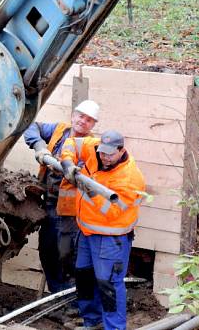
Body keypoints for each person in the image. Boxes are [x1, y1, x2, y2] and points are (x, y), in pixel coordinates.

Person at [61, 130, 146, 330]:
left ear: (121, 150)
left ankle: (114, 328)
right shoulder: (94, 147)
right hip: (86, 232)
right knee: (84, 278)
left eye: (109, 154)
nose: (104, 157)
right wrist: (67, 162)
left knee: (109, 286)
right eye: (102, 152)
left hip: (110, 239)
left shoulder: (131, 179)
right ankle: (92, 321)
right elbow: (71, 143)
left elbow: (113, 211)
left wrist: (86, 187)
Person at [23, 99, 100, 293]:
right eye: (81, 116)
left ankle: (69, 299)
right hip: (49, 205)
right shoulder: (59, 130)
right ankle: (57, 294)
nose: (83, 121)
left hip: (70, 211)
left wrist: (67, 168)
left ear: (93, 125)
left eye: (89, 120)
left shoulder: (91, 146)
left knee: (66, 255)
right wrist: (40, 146)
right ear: (73, 115)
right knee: (48, 251)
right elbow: (30, 126)